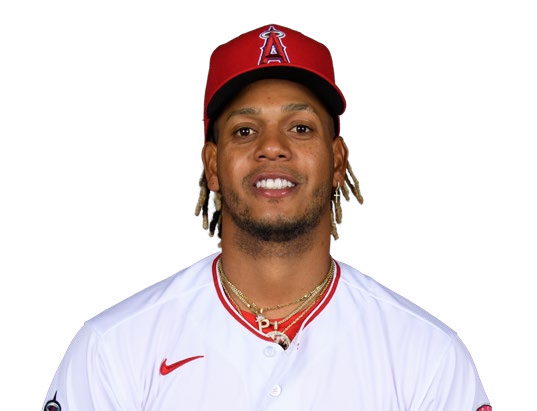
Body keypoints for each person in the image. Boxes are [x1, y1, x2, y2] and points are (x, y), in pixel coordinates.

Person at [43, 23, 492, 410]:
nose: (272, 147)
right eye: (245, 130)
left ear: (338, 161)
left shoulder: (427, 354)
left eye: (300, 128)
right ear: (212, 166)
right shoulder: (113, 347)